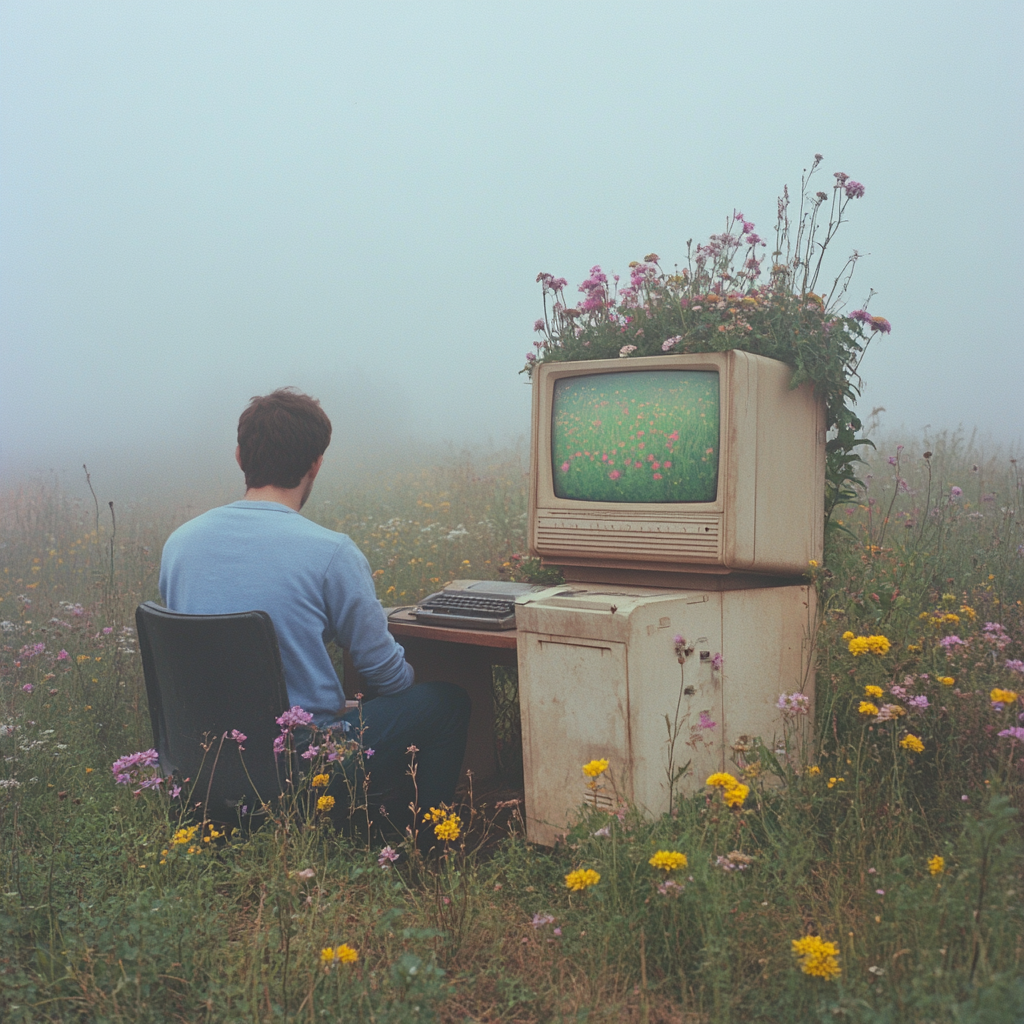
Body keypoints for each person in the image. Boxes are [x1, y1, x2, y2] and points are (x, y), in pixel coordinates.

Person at [159, 387, 471, 833]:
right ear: (315, 464)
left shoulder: (180, 544)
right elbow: (387, 676)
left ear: (239, 455)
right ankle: (414, 844)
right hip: (299, 765)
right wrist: (341, 707)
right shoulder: (330, 554)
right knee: (446, 703)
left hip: (201, 759)